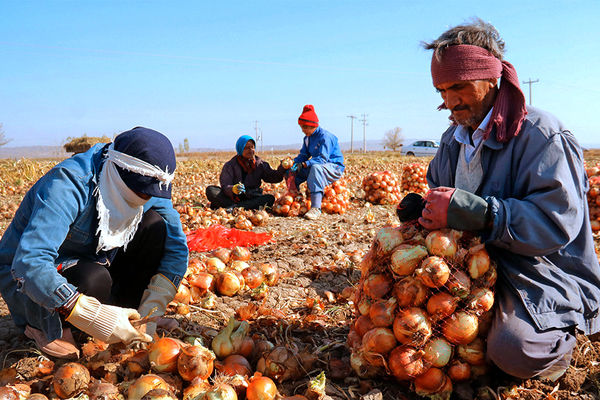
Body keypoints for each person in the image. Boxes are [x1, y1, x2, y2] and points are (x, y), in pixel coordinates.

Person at [415, 19, 600, 381]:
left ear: (491, 79)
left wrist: (482, 215)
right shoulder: (454, 137)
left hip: (539, 269)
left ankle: (563, 341)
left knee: (514, 352)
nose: (449, 101)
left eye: (460, 87)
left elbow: (555, 223)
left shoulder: (543, 134)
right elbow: (438, 187)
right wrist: (421, 206)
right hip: (473, 261)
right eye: (441, 91)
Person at [0, 127, 189, 359]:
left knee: (154, 225)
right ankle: (47, 327)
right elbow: (29, 264)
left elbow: (176, 246)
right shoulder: (69, 185)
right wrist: (85, 312)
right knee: (95, 280)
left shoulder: (149, 184)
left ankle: (131, 317)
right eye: (141, 194)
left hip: (97, 258)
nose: (147, 199)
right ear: (120, 178)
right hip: (33, 277)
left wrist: (154, 303)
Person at [291, 105, 345, 220]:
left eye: (305, 127)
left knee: (315, 168)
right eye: (302, 127)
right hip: (317, 165)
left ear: (313, 125)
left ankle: (316, 208)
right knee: (293, 172)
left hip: (333, 167)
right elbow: (304, 155)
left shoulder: (325, 137)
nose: (303, 130)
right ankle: (295, 198)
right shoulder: (307, 138)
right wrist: (293, 163)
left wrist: (305, 164)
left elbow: (322, 159)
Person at [206, 135, 286, 210]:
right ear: (240, 149)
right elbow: (225, 185)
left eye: (252, 147)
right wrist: (233, 189)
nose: (251, 150)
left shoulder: (260, 164)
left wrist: (283, 167)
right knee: (211, 190)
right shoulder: (230, 165)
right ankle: (239, 207)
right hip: (233, 198)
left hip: (251, 197)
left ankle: (234, 207)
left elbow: (273, 177)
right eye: (247, 148)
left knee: (269, 198)